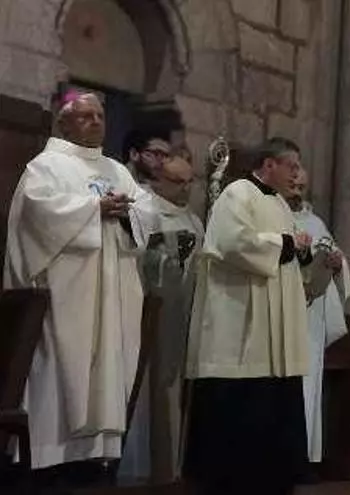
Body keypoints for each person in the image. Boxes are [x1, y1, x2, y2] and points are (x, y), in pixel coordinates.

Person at [4, 91, 148, 474]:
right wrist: (93, 209)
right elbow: (39, 213)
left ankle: (94, 458)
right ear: (63, 124)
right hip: (66, 296)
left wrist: (126, 215)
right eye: (85, 116)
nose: (96, 122)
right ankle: (45, 461)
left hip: (111, 294)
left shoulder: (117, 171)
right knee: (59, 371)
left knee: (104, 372)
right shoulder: (45, 166)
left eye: (100, 115)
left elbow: (145, 213)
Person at [183, 137, 313, 495]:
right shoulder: (237, 193)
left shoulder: (280, 204)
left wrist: (301, 252)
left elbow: (287, 257)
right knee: (241, 422)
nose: (297, 174)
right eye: (291, 166)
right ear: (269, 165)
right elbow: (231, 242)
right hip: (241, 328)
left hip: (275, 338)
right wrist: (286, 244)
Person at [120, 147, 204, 482]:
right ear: (159, 180)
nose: (186, 189)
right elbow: (139, 258)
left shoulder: (194, 220)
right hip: (153, 309)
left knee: (177, 389)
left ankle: (174, 466)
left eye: (190, 182)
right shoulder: (147, 210)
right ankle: (146, 468)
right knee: (151, 388)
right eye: (178, 182)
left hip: (185, 311)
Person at [287, 168, 350, 465]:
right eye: (293, 185)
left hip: (310, 319)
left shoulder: (315, 223)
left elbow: (335, 263)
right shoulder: (270, 218)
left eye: (302, 187)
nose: (297, 191)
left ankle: (303, 458)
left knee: (308, 385)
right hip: (282, 312)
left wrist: (337, 265)